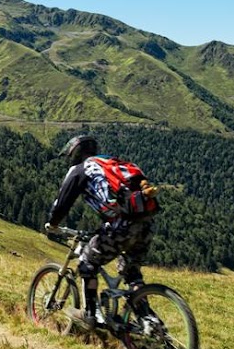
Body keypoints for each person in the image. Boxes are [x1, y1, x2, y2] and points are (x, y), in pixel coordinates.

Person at [44, 134, 158, 330]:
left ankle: (90, 315)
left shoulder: (80, 170)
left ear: (74, 153)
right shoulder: (109, 164)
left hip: (120, 227)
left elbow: (62, 203)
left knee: (87, 263)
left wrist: (52, 224)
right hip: (146, 224)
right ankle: (148, 321)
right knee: (131, 274)